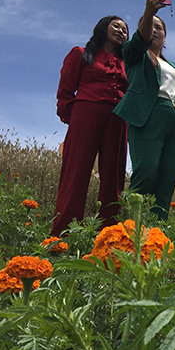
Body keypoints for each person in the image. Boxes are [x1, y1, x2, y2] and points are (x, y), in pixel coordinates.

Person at [114, 0, 175, 219]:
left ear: (166, 37)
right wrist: (149, 11)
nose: (155, 31)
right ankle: (127, 230)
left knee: (166, 181)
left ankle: (157, 235)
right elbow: (139, 41)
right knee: (146, 174)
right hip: (148, 117)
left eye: (160, 28)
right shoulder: (134, 54)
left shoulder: (173, 66)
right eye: (149, 26)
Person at [52, 15, 129, 236]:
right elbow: (66, 90)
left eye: (125, 29)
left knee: (114, 180)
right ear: (103, 28)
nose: (121, 31)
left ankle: (109, 238)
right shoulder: (80, 54)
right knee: (75, 174)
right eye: (116, 26)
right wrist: (72, 118)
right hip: (85, 115)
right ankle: (62, 236)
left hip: (117, 120)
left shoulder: (126, 64)